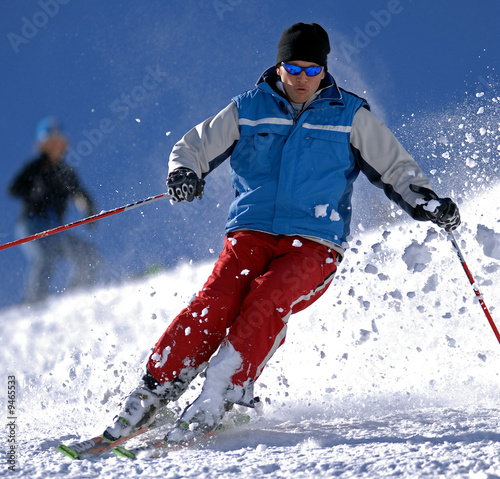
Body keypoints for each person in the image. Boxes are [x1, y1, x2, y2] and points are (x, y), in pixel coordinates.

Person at [103, 23, 460, 443]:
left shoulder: (350, 116)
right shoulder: (249, 107)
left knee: (268, 296)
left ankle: (224, 391)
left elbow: (396, 167)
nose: (302, 79)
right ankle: (156, 387)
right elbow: (193, 146)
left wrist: (425, 201)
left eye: (313, 70)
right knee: (217, 299)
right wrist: (184, 172)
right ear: (279, 65)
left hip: (314, 243)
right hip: (251, 233)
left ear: (325, 71)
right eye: (293, 68)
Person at [9, 116, 99, 303]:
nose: (56, 146)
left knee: (89, 255)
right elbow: (14, 189)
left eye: (58, 142)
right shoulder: (35, 167)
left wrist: (89, 211)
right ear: (44, 145)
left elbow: (79, 193)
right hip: (32, 224)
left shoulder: (66, 172)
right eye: (51, 142)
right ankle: (33, 303)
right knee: (45, 257)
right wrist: (34, 190)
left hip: (55, 229)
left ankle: (76, 296)